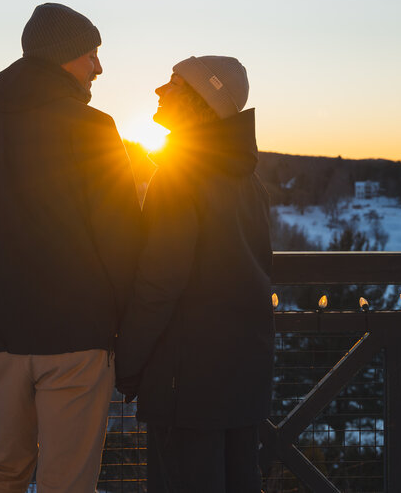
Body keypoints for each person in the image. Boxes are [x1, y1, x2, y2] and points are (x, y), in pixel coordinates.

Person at [0, 3, 142, 493]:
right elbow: (124, 243)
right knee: (67, 479)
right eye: (91, 53)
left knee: (3, 469)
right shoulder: (93, 129)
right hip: (76, 338)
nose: (99, 66)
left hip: (2, 337)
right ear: (63, 57)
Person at [115, 55, 274, 493]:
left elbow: (160, 279)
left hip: (187, 385)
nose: (159, 90)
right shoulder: (251, 181)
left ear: (201, 99)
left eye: (174, 82)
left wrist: (127, 364)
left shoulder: (181, 174)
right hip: (242, 378)